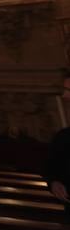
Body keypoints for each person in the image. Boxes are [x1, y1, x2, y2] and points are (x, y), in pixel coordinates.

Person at [42, 69, 70, 209]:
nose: (64, 95)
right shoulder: (63, 136)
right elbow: (50, 169)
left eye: (68, 90)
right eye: (64, 90)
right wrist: (54, 182)